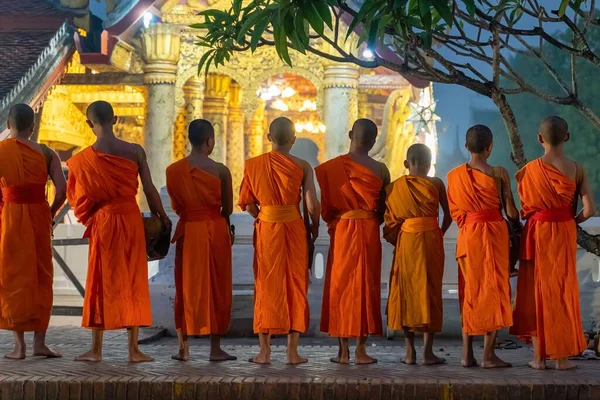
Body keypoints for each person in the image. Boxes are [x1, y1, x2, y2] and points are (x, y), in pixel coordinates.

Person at [67, 101, 171, 363]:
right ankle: (134, 350)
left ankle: (96, 350)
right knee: (133, 279)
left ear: (90, 124)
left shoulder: (82, 160)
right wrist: (163, 216)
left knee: (100, 280)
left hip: (104, 222)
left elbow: (78, 199)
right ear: (115, 120)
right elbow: (149, 189)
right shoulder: (135, 151)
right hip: (130, 219)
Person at [511, 116, 595, 370]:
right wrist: (571, 219)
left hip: (537, 231)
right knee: (561, 290)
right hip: (563, 231)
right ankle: (561, 358)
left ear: (539, 139)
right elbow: (590, 210)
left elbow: (524, 208)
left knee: (537, 290)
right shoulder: (576, 168)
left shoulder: (529, 170)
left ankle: (538, 358)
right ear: (567, 137)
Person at [239, 116, 320, 365]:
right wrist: (313, 229)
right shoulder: (303, 166)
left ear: (268, 138)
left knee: (265, 285)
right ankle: (292, 352)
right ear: (293, 140)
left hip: (267, 228)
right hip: (294, 227)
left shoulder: (253, 165)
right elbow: (312, 205)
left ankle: (264, 352)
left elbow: (248, 202)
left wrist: (265, 214)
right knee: (295, 285)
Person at [316, 119, 389, 365]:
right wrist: (367, 218)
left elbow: (326, 209)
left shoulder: (331, 169)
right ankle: (361, 351)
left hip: (343, 230)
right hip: (368, 230)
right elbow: (384, 210)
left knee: (340, 286)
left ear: (350, 135)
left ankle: (343, 351)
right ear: (374, 141)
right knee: (366, 286)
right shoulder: (381, 170)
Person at [446, 125, 518, 368]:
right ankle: (488, 355)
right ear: (490, 147)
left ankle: (467, 354)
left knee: (470, 293)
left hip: (468, 237)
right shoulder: (499, 174)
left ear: (466, 147)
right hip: (494, 236)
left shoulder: (454, 176)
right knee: (494, 292)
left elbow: (456, 212)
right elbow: (511, 212)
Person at [0, 104, 66, 359]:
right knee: (41, 275)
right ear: (33, 127)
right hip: (39, 215)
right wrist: (49, 213)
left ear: (8, 125)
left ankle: (20, 346)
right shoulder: (47, 153)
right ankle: (40, 343)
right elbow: (62, 191)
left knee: (13, 275)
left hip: (10, 217)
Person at [166, 119, 236, 362]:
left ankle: (183, 349)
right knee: (218, 288)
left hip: (188, 230)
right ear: (210, 141)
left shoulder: (173, 171)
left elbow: (176, 206)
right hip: (216, 230)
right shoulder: (221, 171)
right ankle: (215, 349)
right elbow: (227, 208)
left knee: (185, 288)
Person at [384, 143, 452, 366]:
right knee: (430, 291)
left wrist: (404, 233)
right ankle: (427, 353)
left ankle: (410, 351)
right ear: (429, 164)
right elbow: (449, 215)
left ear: (406, 164)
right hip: (431, 239)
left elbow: (390, 221)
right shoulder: (436, 183)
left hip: (407, 240)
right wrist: (437, 232)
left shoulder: (395, 187)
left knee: (406, 291)